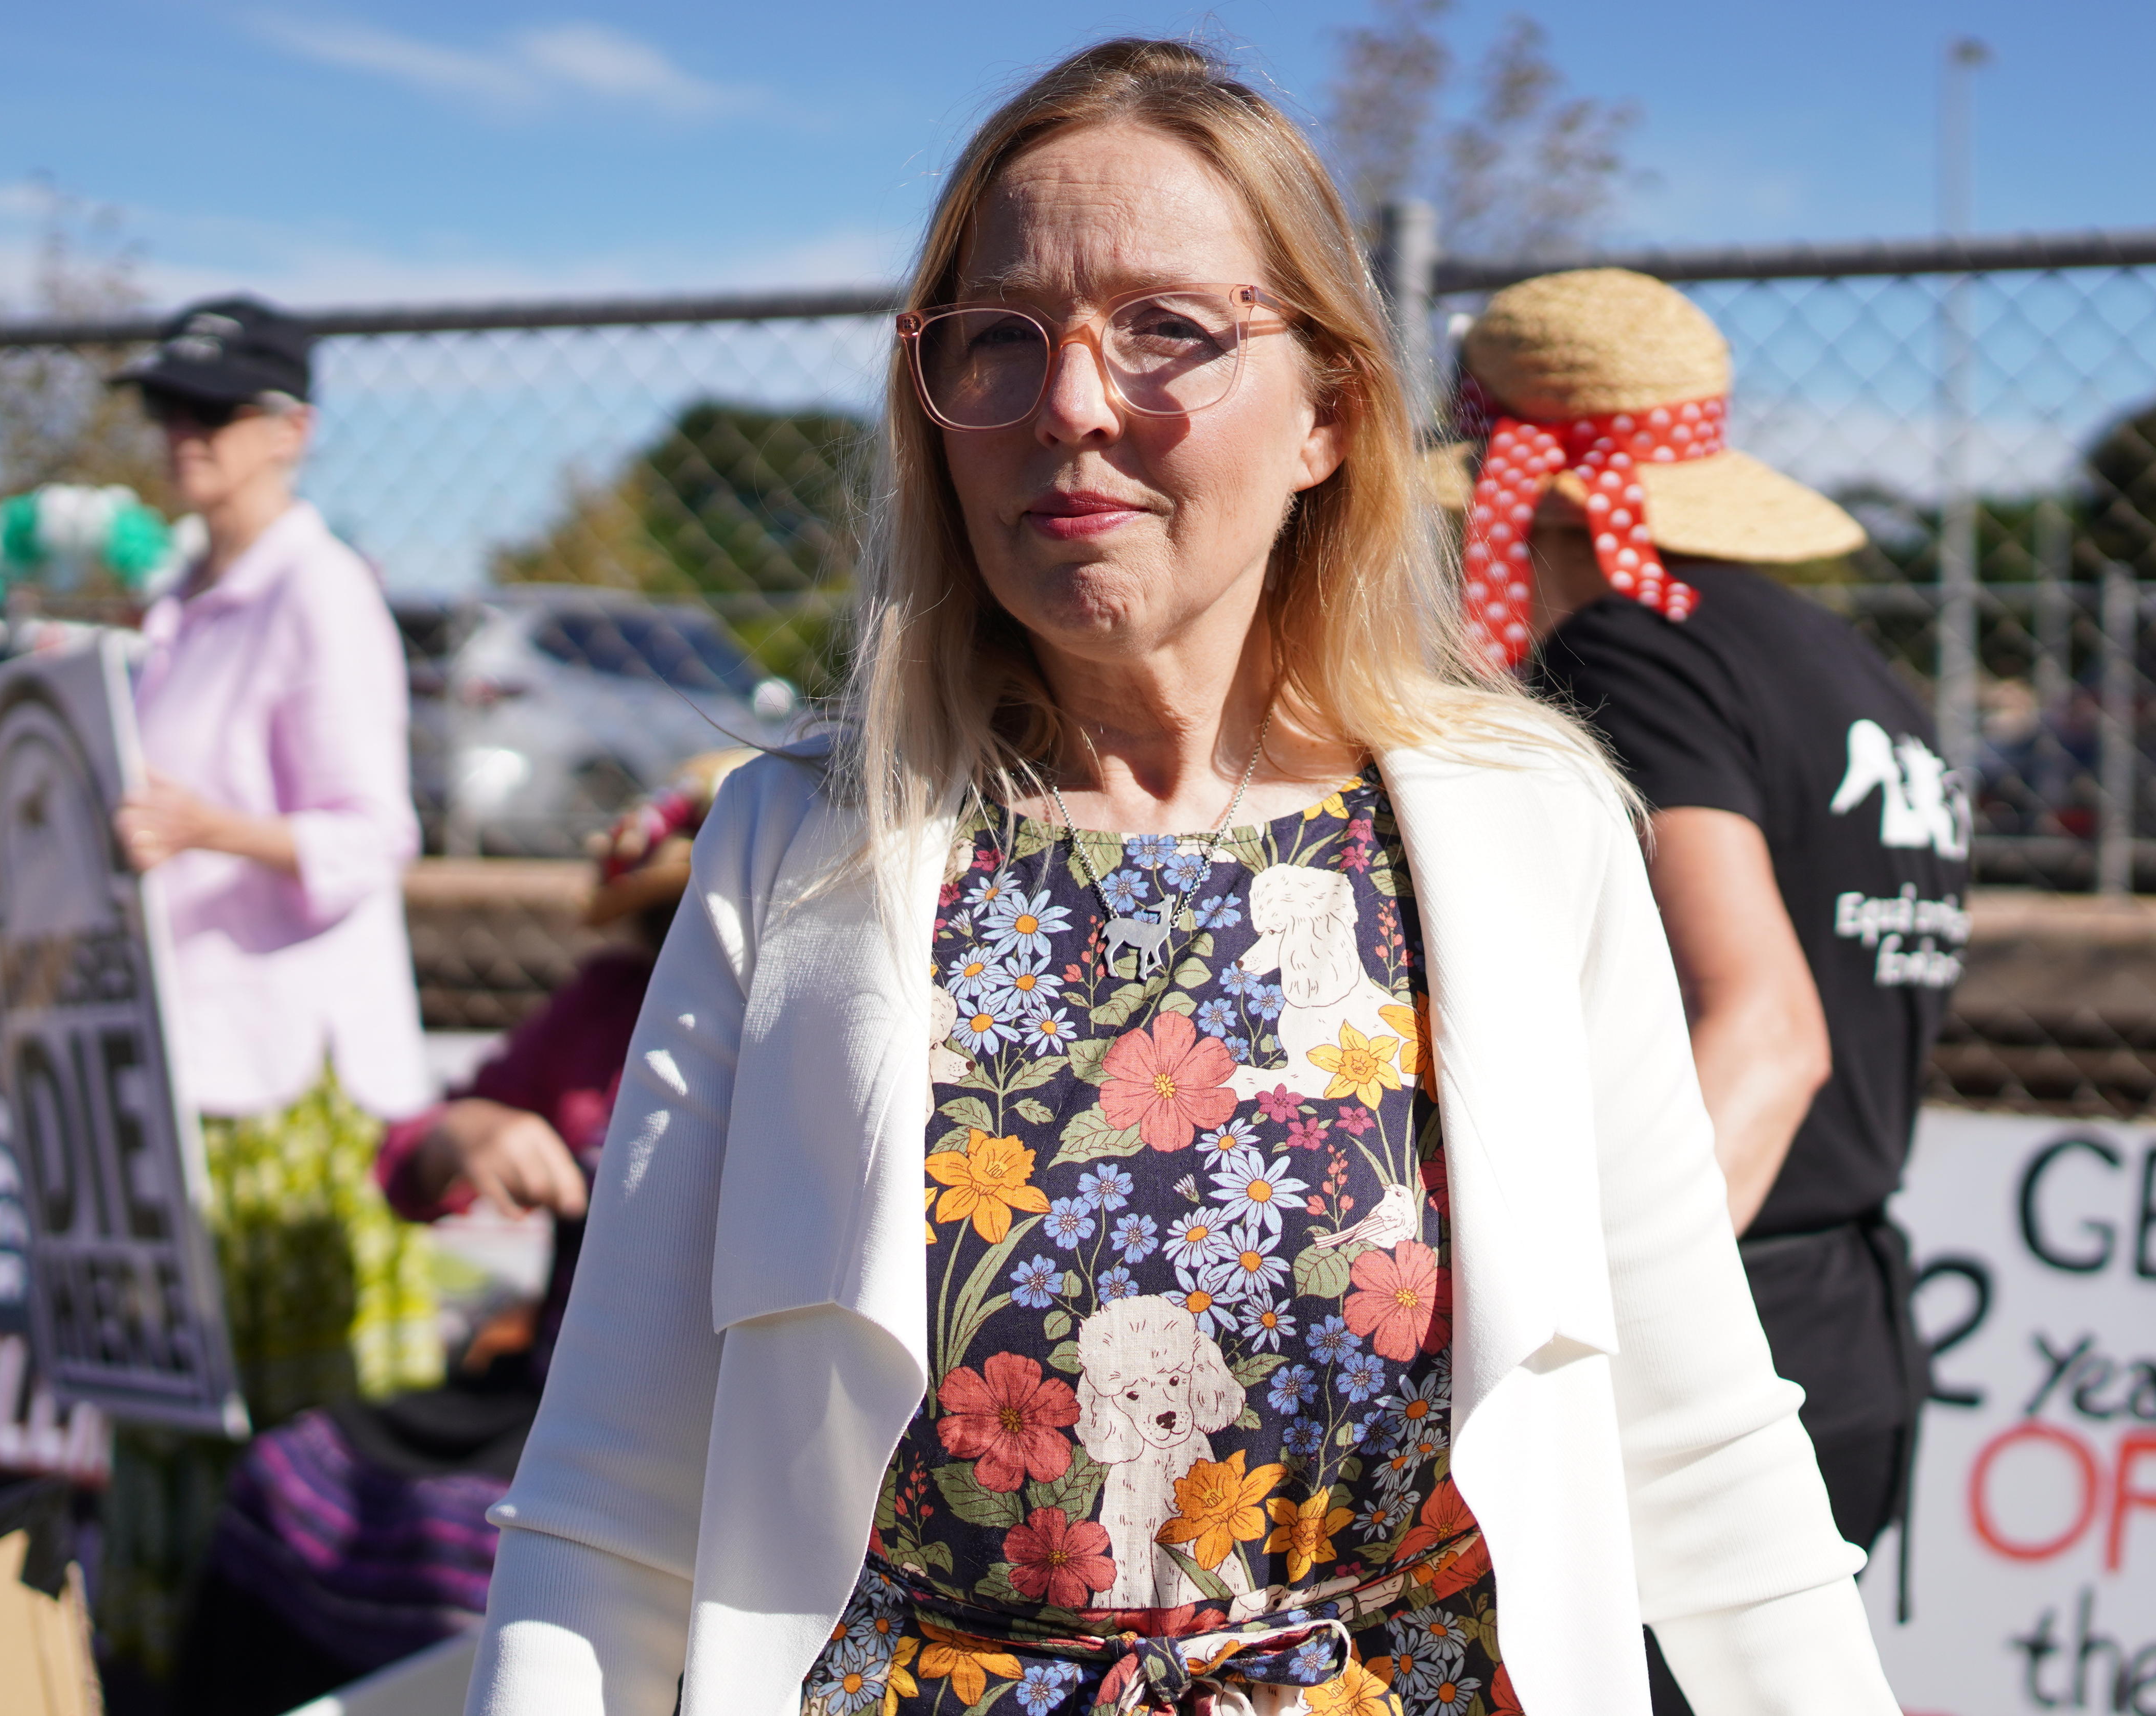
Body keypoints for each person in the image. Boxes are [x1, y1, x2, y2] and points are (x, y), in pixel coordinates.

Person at [469, 39, 1900, 1716]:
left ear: (1329, 413)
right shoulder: (800, 847)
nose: (1071, 402)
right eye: (998, 338)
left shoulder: (1526, 826)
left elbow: (1700, 1430)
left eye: (1168, 330)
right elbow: (612, 1497)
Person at [1439, 270, 1967, 1712]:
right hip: (1847, 1318)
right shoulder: (1847, 666)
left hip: (1714, 1341)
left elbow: (1768, 1026)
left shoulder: (1632, 643)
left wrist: (1572, 1336)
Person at [174, 754, 748, 1716]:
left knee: (474, 1551)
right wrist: (469, 1136)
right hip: (565, 1392)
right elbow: (412, 1156)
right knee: (286, 1479)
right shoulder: (608, 1007)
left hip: (728, 1431)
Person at [100, 297, 440, 1686]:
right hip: (192, 1063)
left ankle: (286, 1672)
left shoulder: (321, 589)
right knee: (177, 1411)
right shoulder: (178, 594)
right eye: (169, 409)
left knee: (298, 1441)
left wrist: (209, 828)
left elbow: (375, 835)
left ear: (288, 431)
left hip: (294, 1084)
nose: (182, 435)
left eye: (212, 409)